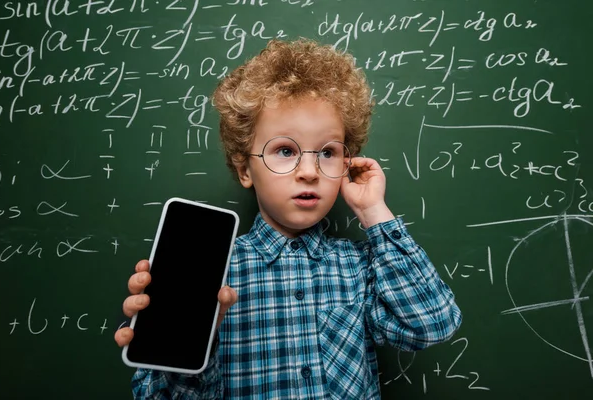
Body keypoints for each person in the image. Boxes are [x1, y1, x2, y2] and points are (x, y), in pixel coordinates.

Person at [115, 37, 462, 399]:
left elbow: (431, 324)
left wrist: (373, 210)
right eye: (285, 150)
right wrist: (201, 337)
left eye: (327, 152)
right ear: (244, 168)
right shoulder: (209, 272)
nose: (310, 171)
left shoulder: (360, 267)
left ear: (346, 164)